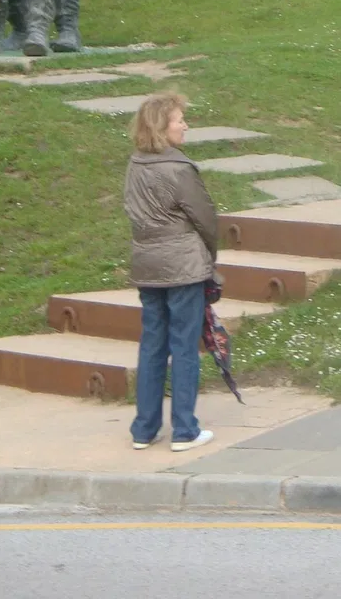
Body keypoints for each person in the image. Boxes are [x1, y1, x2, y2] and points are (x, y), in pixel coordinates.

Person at [124, 92, 217, 453]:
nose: (185, 126)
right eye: (180, 120)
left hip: (147, 264)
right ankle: (184, 430)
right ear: (163, 127)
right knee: (184, 347)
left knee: (152, 345)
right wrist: (209, 258)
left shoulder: (135, 165)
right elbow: (205, 218)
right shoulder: (179, 168)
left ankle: (144, 429)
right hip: (183, 267)